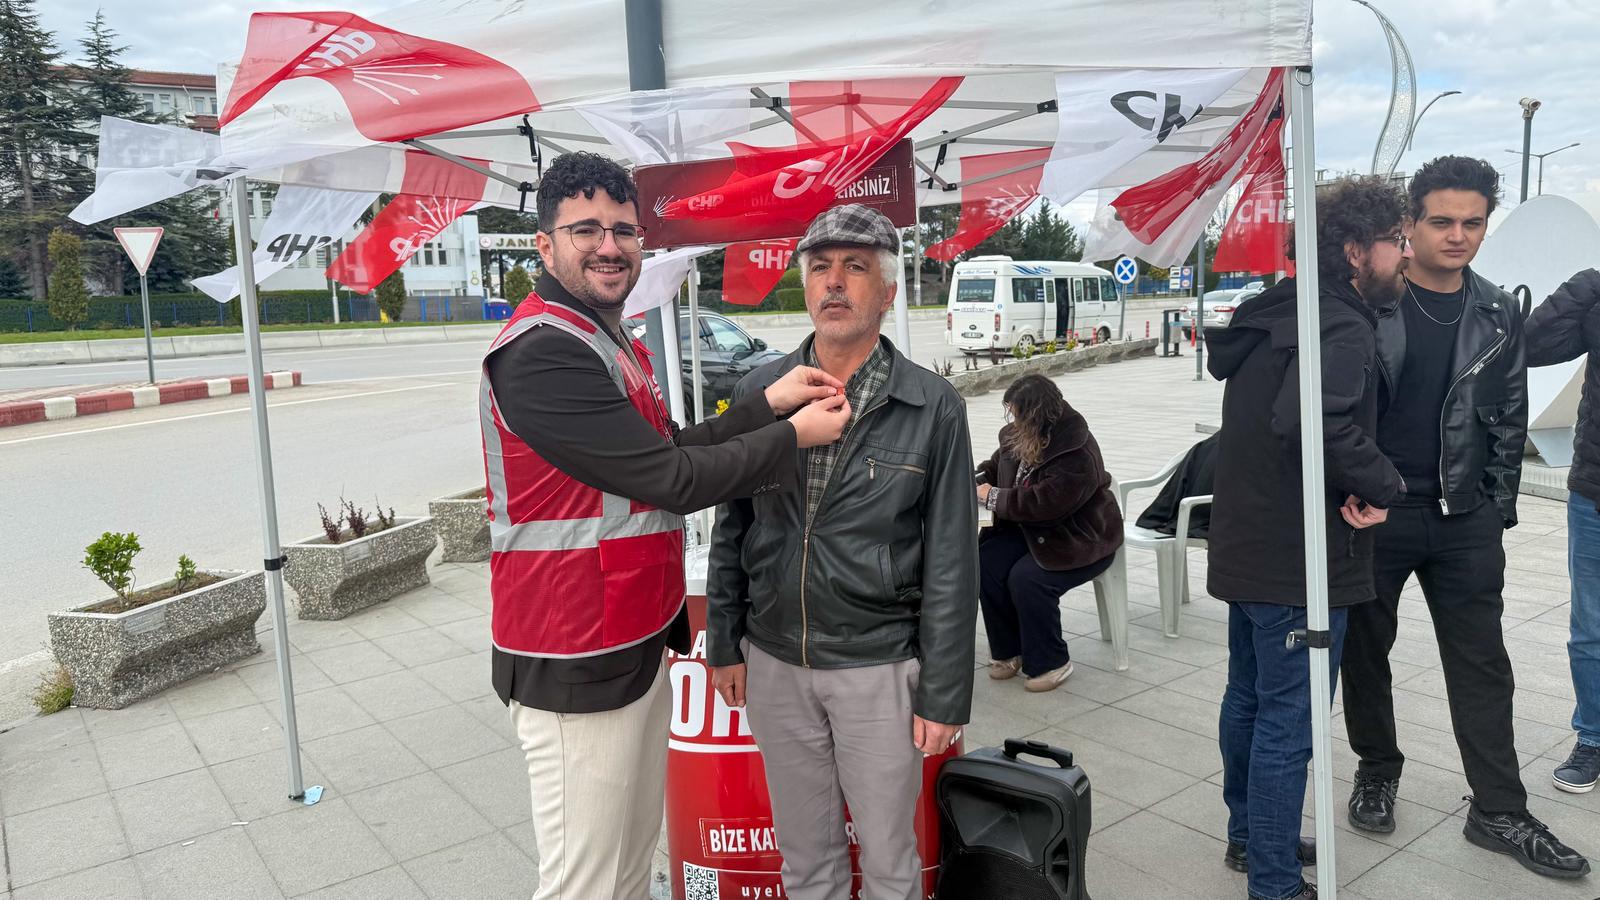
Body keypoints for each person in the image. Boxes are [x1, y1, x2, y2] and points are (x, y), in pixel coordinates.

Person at [479, 151, 854, 900]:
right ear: (545, 246)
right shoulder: (543, 352)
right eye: (586, 230)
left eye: (624, 230)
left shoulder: (607, 339)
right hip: (574, 655)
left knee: (626, 872)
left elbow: (670, 449)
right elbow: (673, 481)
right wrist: (792, 438)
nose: (610, 246)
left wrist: (766, 405)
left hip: (631, 640)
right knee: (584, 884)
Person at [705, 204, 978, 900]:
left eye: (854, 267)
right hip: (775, 660)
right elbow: (733, 525)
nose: (834, 282)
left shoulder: (932, 406)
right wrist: (725, 642)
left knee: (889, 859)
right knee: (806, 860)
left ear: (887, 292)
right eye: (820, 267)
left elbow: (953, 559)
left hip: (877, 664)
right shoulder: (762, 392)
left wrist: (945, 691)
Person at [1338, 156, 1588, 879]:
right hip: (1374, 515)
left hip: (1463, 519)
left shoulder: (1497, 310)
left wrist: (1495, 508)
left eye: (1472, 223)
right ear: (1409, 223)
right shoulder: (1368, 302)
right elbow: (1339, 410)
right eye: (1442, 221)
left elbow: (1508, 417)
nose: (1457, 235)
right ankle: (1377, 769)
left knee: (1483, 665)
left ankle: (1499, 809)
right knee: (1366, 655)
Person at [1205, 175, 1410, 900]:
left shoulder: (1273, 312)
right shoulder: (1340, 323)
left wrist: (1347, 478)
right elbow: (1310, 420)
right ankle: (1274, 881)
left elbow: (1286, 430)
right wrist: (1384, 483)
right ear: (1355, 250)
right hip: (1298, 563)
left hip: (1250, 546)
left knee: (1249, 699)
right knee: (1287, 722)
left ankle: (1250, 836)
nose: (1404, 255)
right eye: (1396, 241)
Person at [975, 374, 1122, 692]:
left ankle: (1051, 660)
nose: (1013, 421)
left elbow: (1046, 503)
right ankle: (1009, 650)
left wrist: (993, 497)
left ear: (1036, 415)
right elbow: (996, 468)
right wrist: (973, 479)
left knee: (1027, 579)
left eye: (1018, 414)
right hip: (1032, 530)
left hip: (1078, 536)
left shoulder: (1075, 448)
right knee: (985, 563)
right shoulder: (1018, 435)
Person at [1525, 268, 1600, 794]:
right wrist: (1588, 286)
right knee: (1591, 629)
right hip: (1594, 491)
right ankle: (1592, 737)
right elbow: (1532, 345)